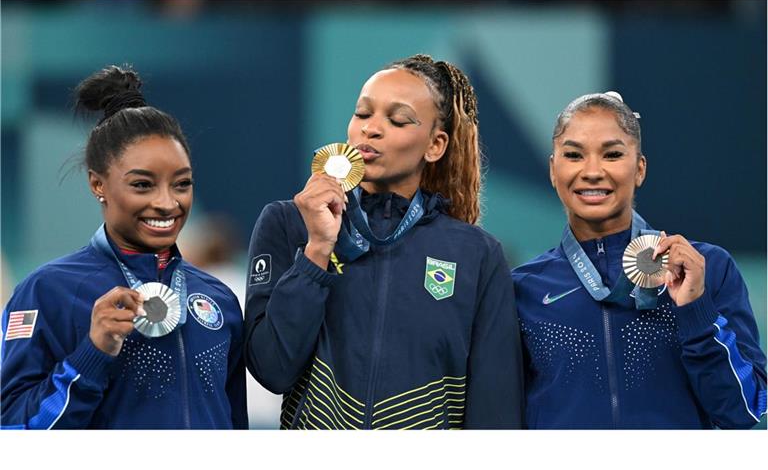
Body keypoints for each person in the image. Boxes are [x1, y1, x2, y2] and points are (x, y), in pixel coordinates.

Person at [244, 54, 523, 429]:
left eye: (398, 119)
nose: (370, 130)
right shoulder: (288, 223)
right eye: (362, 114)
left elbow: (495, 412)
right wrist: (316, 252)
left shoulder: (476, 254)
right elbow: (272, 369)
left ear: (435, 145)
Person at [0, 65, 247, 429]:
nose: (167, 203)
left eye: (181, 184)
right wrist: (92, 352)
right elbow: (13, 430)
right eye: (143, 185)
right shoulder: (47, 291)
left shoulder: (219, 299)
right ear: (98, 184)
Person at [512, 91, 767, 429]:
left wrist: (696, 310)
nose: (592, 171)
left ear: (640, 168)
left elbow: (745, 410)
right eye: (573, 155)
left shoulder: (706, 268)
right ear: (553, 169)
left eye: (612, 154)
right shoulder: (523, 288)